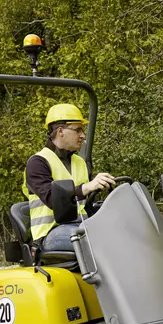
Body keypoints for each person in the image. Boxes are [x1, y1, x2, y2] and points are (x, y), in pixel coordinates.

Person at [23, 103, 115, 251]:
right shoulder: (38, 162)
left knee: (122, 230)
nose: (82, 135)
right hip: (51, 233)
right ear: (60, 131)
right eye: (78, 130)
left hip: (82, 225)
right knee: (98, 239)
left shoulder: (79, 162)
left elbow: (85, 205)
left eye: (83, 130)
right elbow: (53, 199)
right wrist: (87, 187)